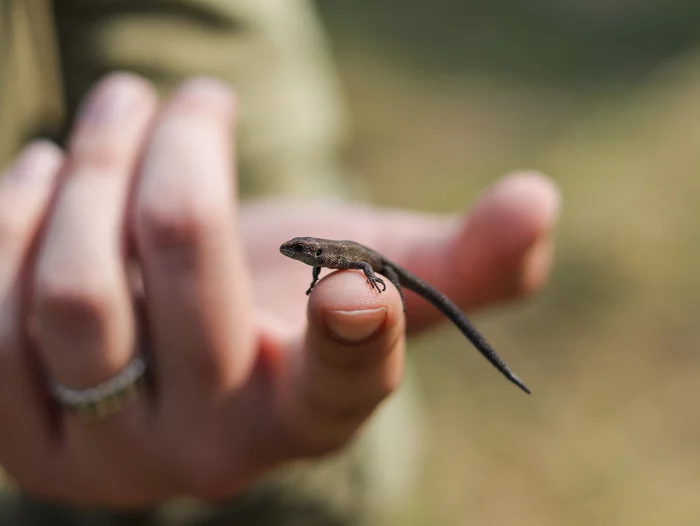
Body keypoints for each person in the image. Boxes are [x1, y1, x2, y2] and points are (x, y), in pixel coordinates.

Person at [0, 1, 560, 524]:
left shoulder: (338, 259)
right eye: (301, 254)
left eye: (300, 252)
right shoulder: (320, 261)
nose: (299, 257)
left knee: (371, 290)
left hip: (374, 270)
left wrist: (256, 206)